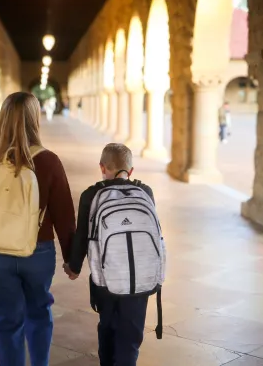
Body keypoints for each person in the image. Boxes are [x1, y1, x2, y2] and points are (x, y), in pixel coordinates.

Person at [0, 92, 76, 366]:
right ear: (35, 119)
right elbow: (64, 215)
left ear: (2, 119)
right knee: (38, 312)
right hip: (37, 251)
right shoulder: (48, 161)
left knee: (5, 320)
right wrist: (73, 259)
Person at [65, 143, 164, 366]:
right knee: (131, 336)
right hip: (140, 279)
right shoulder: (146, 192)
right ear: (131, 171)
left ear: (102, 167)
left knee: (108, 327)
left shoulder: (91, 195)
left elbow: (82, 236)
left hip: (105, 281)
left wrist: (74, 266)